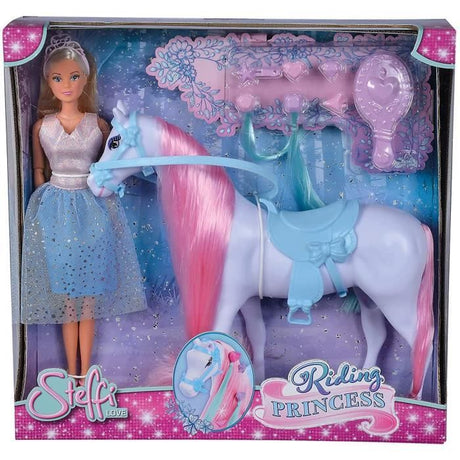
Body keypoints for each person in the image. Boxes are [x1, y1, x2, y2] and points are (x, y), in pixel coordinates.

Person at [21, 34, 147, 384]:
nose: (66, 84)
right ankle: (71, 374)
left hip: (93, 211)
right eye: (57, 77)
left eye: (74, 76)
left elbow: (110, 166)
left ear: (85, 79)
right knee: (67, 301)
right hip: (55, 212)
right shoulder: (41, 127)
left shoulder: (99, 125)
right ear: (48, 82)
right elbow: (39, 171)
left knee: (88, 300)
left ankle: (84, 375)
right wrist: (41, 206)